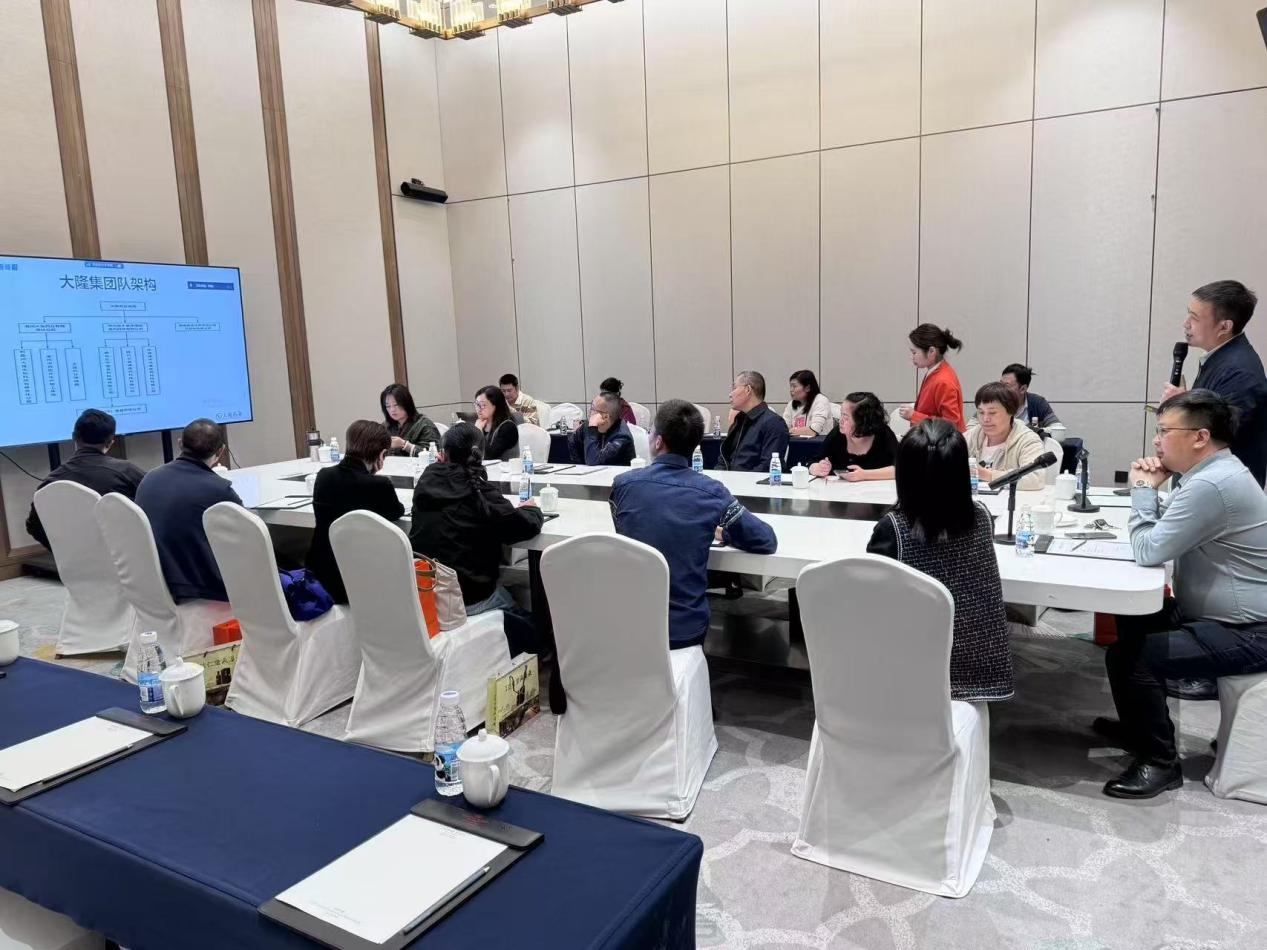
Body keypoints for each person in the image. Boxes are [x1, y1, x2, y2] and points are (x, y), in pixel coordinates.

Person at [1096, 390, 1267, 799]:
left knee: (1133, 657)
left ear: (1200, 437)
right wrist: (1150, 494)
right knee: (1133, 614)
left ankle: (1160, 762)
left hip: (1250, 631)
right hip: (1219, 618)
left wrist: (1142, 489)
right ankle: (1140, 727)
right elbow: (1163, 525)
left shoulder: (1213, 484)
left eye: (1164, 431)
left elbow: (1149, 549)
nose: (1156, 441)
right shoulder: (1210, 474)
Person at [866, 419, 1013, 702]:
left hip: (918, 672)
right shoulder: (982, 517)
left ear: (904, 475)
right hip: (984, 665)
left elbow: (875, 603)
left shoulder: (893, 529)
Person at [610, 400, 777, 648]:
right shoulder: (711, 492)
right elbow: (765, 539)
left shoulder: (623, 485)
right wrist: (724, 533)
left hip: (629, 623)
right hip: (685, 628)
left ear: (658, 442)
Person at [409, 424, 543, 654]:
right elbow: (521, 527)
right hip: (471, 595)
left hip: (427, 591)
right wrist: (532, 510)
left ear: (443, 453)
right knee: (537, 632)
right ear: (480, 454)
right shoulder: (478, 490)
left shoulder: (426, 481)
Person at [1160, 280, 1266, 486]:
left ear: (1224, 326)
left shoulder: (1239, 372)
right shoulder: (1221, 359)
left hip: (1222, 491)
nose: (1186, 324)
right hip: (1208, 485)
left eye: (1194, 317)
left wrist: (1181, 409)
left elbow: (1216, 437)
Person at [134, 419, 241, 602]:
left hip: (155, 585)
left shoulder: (150, 478)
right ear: (220, 452)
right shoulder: (219, 489)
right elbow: (247, 538)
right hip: (202, 590)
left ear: (180, 444)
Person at [305, 421, 405, 604]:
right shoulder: (379, 485)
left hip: (322, 575)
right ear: (382, 454)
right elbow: (397, 511)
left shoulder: (324, 476)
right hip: (360, 581)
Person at [24, 409, 145, 549]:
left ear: (74, 437)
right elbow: (155, 506)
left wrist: (65, 550)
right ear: (110, 442)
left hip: (74, 561)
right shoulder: (126, 472)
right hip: (126, 556)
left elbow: (34, 527)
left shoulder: (50, 483)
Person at [965, 382, 1047, 490]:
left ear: (1011, 412)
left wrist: (986, 474)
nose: (985, 419)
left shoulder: (1027, 440)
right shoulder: (972, 435)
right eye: (981, 412)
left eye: (992, 413)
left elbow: (1035, 479)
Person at [808, 392, 898, 481]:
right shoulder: (837, 434)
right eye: (841, 414)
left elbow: (900, 468)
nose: (840, 421)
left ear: (862, 422)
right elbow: (812, 463)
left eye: (846, 418)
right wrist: (818, 468)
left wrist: (864, 475)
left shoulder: (884, 434)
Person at [898, 324, 965, 432]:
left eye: (914, 352)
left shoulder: (943, 381)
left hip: (941, 441)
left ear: (931, 351)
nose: (911, 357)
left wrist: (914, 416)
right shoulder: (936, 372)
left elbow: (951, 424)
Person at [719, 370, 790, 472]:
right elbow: (724, 459)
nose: (730, 394)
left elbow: (767, 466)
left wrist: (738, 479)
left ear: (748, 390)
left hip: (753, 481)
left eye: (734, 388)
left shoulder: (774, 423)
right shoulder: (739, 420)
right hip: (730, 478)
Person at [568, 392, 635, 465]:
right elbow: (572, 443)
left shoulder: (622, 437)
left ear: (605, 417)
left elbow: (593, 461)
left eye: (593, 409)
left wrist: (592, 429)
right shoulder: (587, 426)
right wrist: (581, 467)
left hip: (616, 471)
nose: (589, 411)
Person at [380, 383, 441, 458]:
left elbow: (434, 456)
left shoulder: (424, 425)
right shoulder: (385, 426)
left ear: (406, 403)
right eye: (388, 406)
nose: (392, 410)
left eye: (396, 405)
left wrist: (405, 445)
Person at [782, 370, 833, 437]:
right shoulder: (791, 404)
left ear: (807, 388)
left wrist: (791, 431)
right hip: (796, 442)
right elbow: (783, 428)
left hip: (818, 442)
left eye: (794, 386)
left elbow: (814, 430)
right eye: (790, 386)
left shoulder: (821, 400)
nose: (791, 390)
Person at [474, 385, 519, 461]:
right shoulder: (480, 424)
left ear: (496, 406)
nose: (478, 409)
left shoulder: (508, 427)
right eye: (477, 404)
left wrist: (478, 431)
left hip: (505, 468)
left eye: (482, 405)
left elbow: (489, 456)